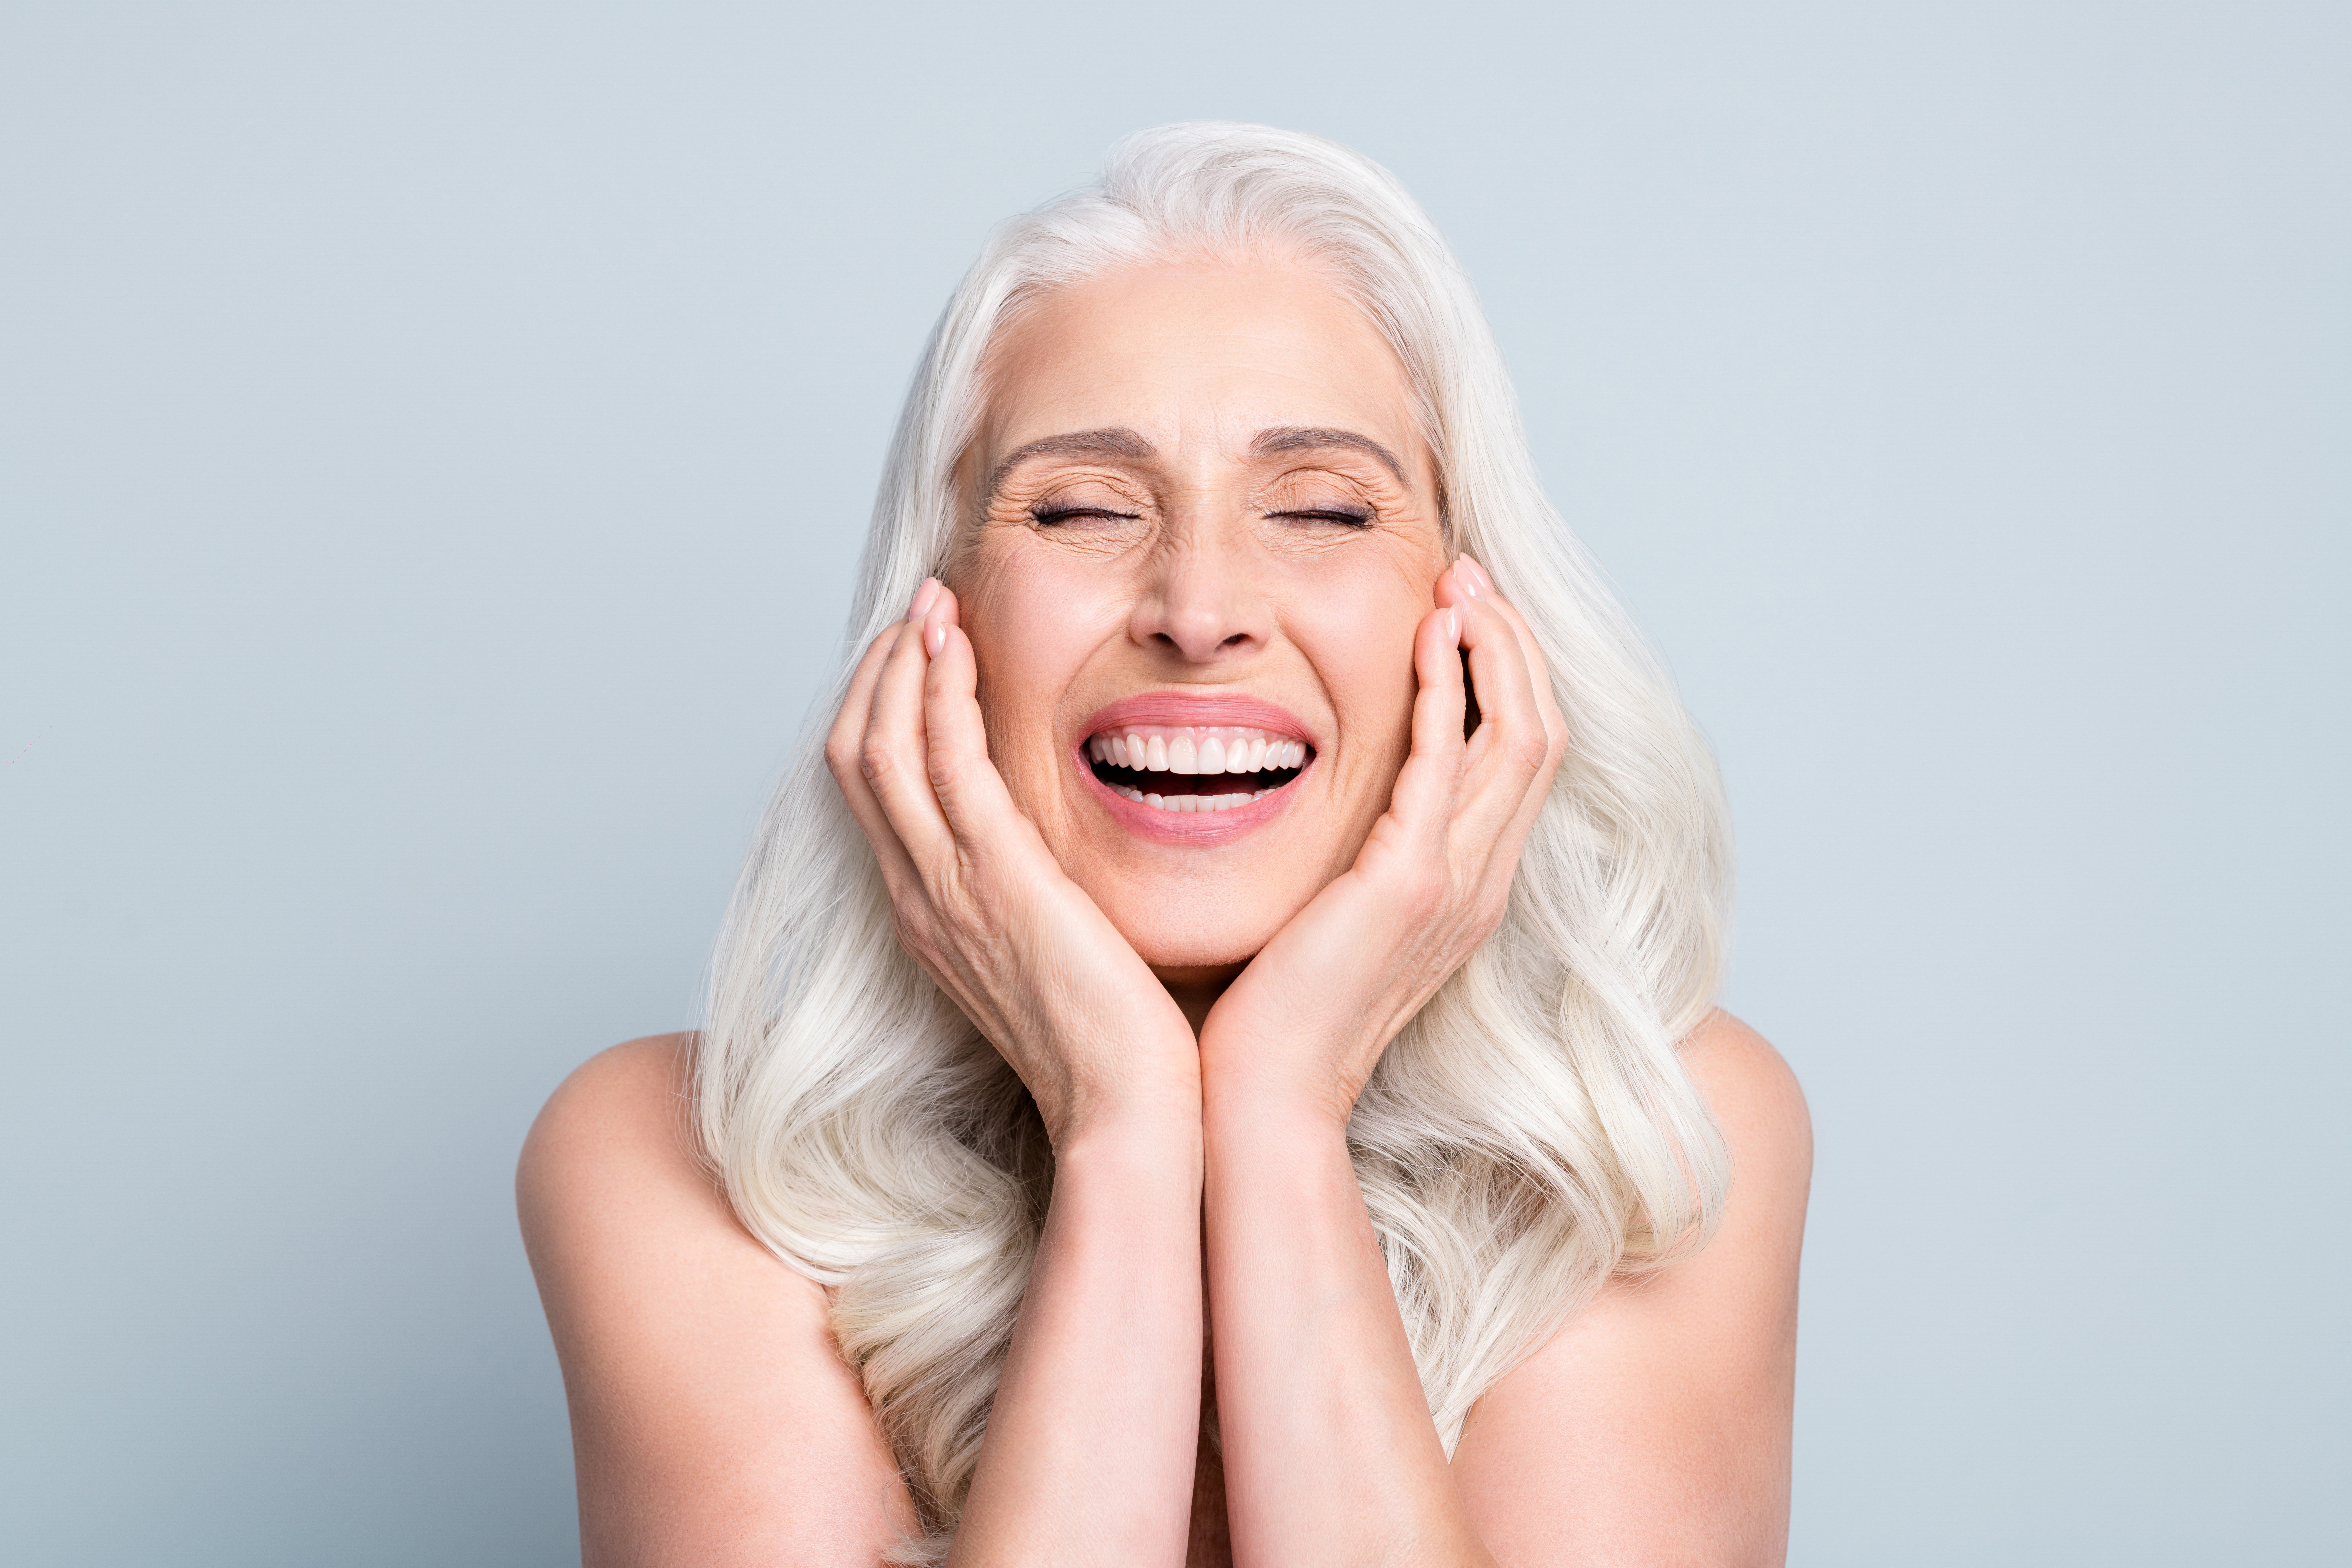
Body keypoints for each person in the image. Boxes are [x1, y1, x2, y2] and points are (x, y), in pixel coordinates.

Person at [517, 123, 1812, 1568]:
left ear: (1467, 625)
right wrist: (1126, 1124)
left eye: (1320, 507)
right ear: (938, 620)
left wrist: (1276, 1108)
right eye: (1078, 507)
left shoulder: (1658, 1137)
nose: (1199, 608)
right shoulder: (671, 1162)